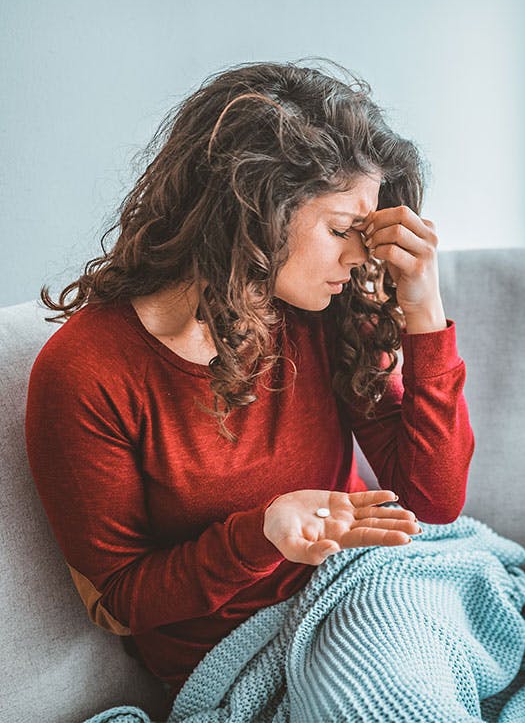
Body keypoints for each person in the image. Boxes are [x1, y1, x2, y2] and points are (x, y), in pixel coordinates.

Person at [24, 59, 475, 704]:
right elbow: (122, 598)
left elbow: (434, 500)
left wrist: (425, 317)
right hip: (231, 659)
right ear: (252, 211)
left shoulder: (323, 317)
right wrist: (259, 535)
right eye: (342, 230)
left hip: (364, 587)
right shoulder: (88, 373)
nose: (357, 258)